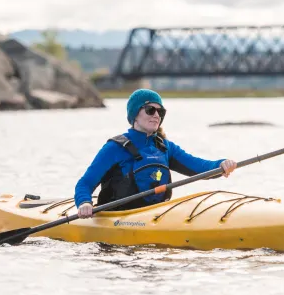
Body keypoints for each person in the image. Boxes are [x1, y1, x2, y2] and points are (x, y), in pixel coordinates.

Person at [74, 89, 238, 218]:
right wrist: (84, 203)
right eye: (150, 110)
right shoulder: (114, 148)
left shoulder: (165, 147)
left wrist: (221, 164)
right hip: (118, 217)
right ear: (135, 115)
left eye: (161, 112)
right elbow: (85, 183)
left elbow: (200, 167)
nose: (156, 115)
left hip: (156, 215)